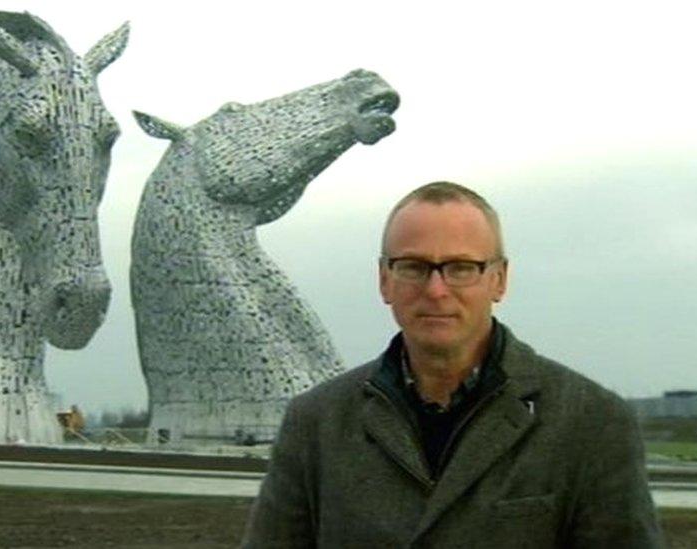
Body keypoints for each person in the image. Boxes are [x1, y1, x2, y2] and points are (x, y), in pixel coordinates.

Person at [241, 182, 663, 547]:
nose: (437, 290)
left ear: (499, 279)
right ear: (384, 280)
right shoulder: (315, 422)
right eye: (413, 267)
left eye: (461, 268)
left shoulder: (592, 423)